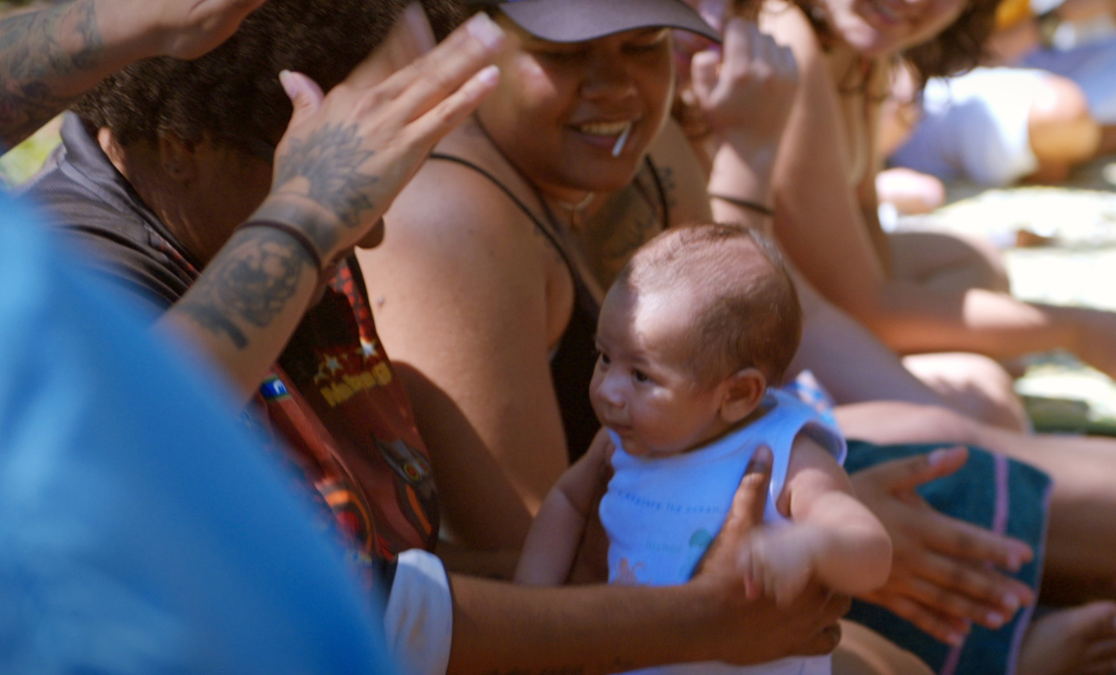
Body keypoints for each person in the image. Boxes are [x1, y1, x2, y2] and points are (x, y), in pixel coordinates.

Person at [20, 0, 848, 673]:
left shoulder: (253, 222)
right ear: (184, 144)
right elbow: (357, 607)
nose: (375, 236)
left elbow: (406, 569)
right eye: (348, 179)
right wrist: (685, 623)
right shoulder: (81, 290)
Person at [367, 0, 1116, 673]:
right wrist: (804, 534)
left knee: (943, 433)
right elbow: (547, 578)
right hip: (685, 576)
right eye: (563, 53)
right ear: (462, 40)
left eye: (646, 42)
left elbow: (754, 318)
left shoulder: (646, 149)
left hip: (748, 499)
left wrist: (832, 503)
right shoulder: (454, 223)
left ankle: (1012, 633)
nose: (617, 83)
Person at [515, 223, 893, 675]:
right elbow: (566, 503)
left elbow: (871, 550)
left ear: (737, 395)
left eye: (641, 375)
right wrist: (532, 605)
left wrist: (810, 546)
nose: (608, 390)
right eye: (604, 357)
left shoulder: (784, 455)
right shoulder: (618, 443)